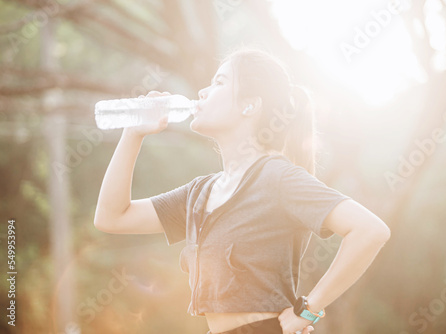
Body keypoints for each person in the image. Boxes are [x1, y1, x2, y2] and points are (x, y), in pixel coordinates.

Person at [94, 48, 391, 334]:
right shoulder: (200, 192)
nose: (202, 92)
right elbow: (112, 217)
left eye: (219, 82)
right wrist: (133, 133)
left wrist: (306, 311)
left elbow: (370, 230)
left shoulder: (277, 177)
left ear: (250, 104)